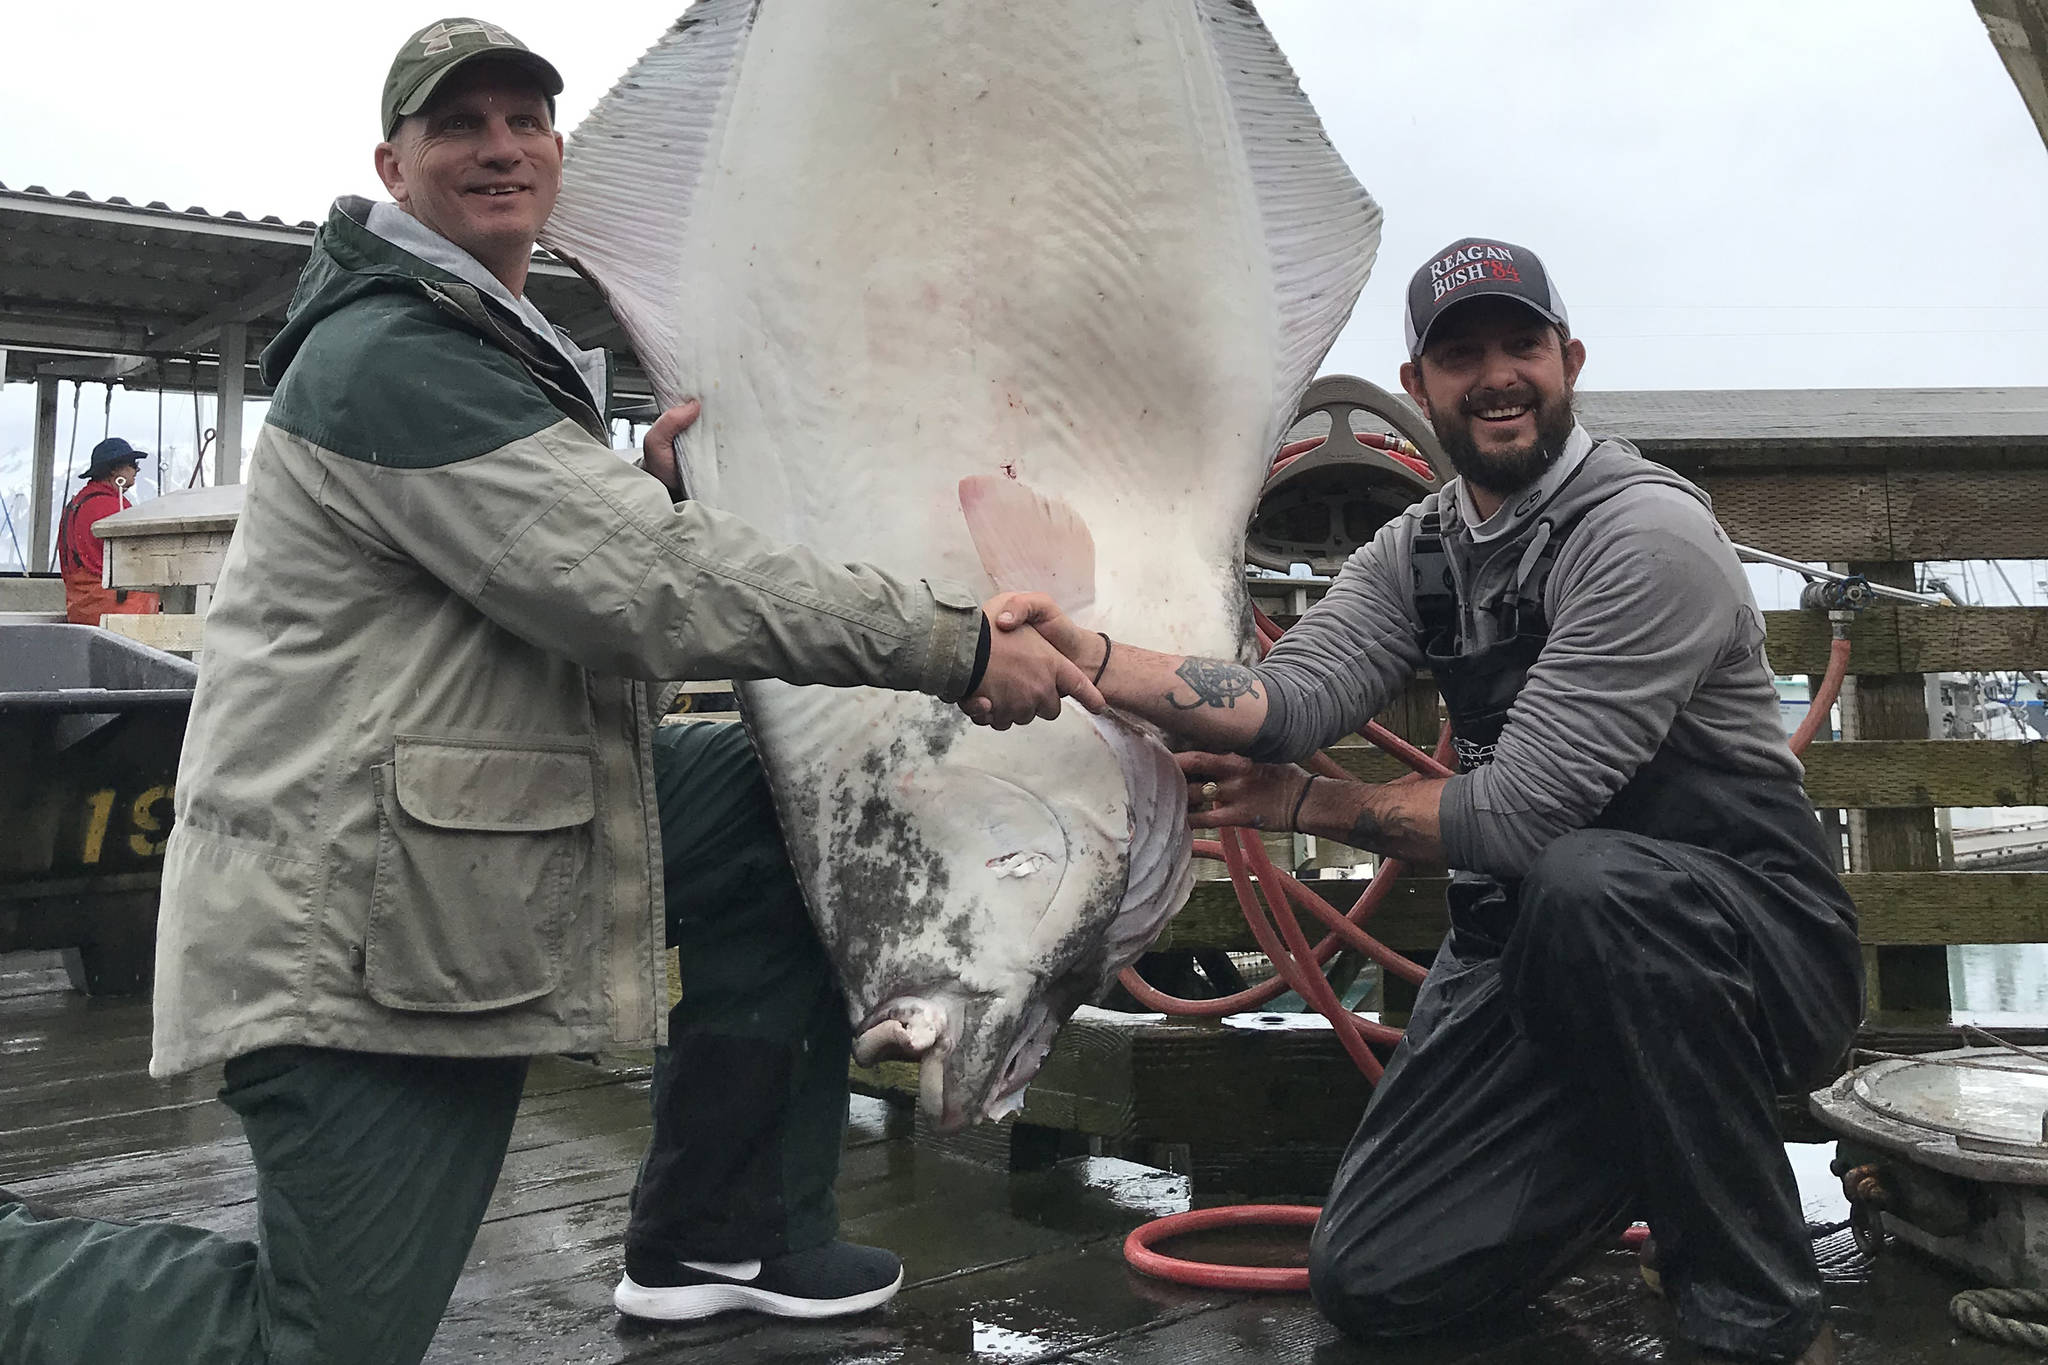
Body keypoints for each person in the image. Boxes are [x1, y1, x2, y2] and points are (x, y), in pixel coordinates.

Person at [0, 19, 1097, 1365]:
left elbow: (548, 569)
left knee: (782, 802)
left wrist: (644, 493)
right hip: (356, 919)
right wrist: (959, 643)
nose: (501, 147)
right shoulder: (387, 356)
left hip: (468, 838)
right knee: (321, 1343)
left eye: (526, 119)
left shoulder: (488, 343)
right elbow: (640, 585)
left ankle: (722, 1228)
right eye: (459, 125)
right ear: (390, 167)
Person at [982, 239, 1862, 1365]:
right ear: (1417, 389)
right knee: (1377, 1282)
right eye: (1459, 355)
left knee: (1588, 885)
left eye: (1518, 345)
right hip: (1530, 955)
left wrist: (1305, 804)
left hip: (1750, 951)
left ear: (1567, 359)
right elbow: (1286, 695)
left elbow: (1519, 820)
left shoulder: (1643, 535)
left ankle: (1761, 1321)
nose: (1494, 375)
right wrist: (1088, 655)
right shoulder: (1419, 550)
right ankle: (1655, 1159)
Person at [54, 436, 161, 625]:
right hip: (117, 610)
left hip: (81, 611)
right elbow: (141, 554)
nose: (136, 469)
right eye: (132, 464)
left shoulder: (75, 505)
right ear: (114, 469)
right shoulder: (114, 506)